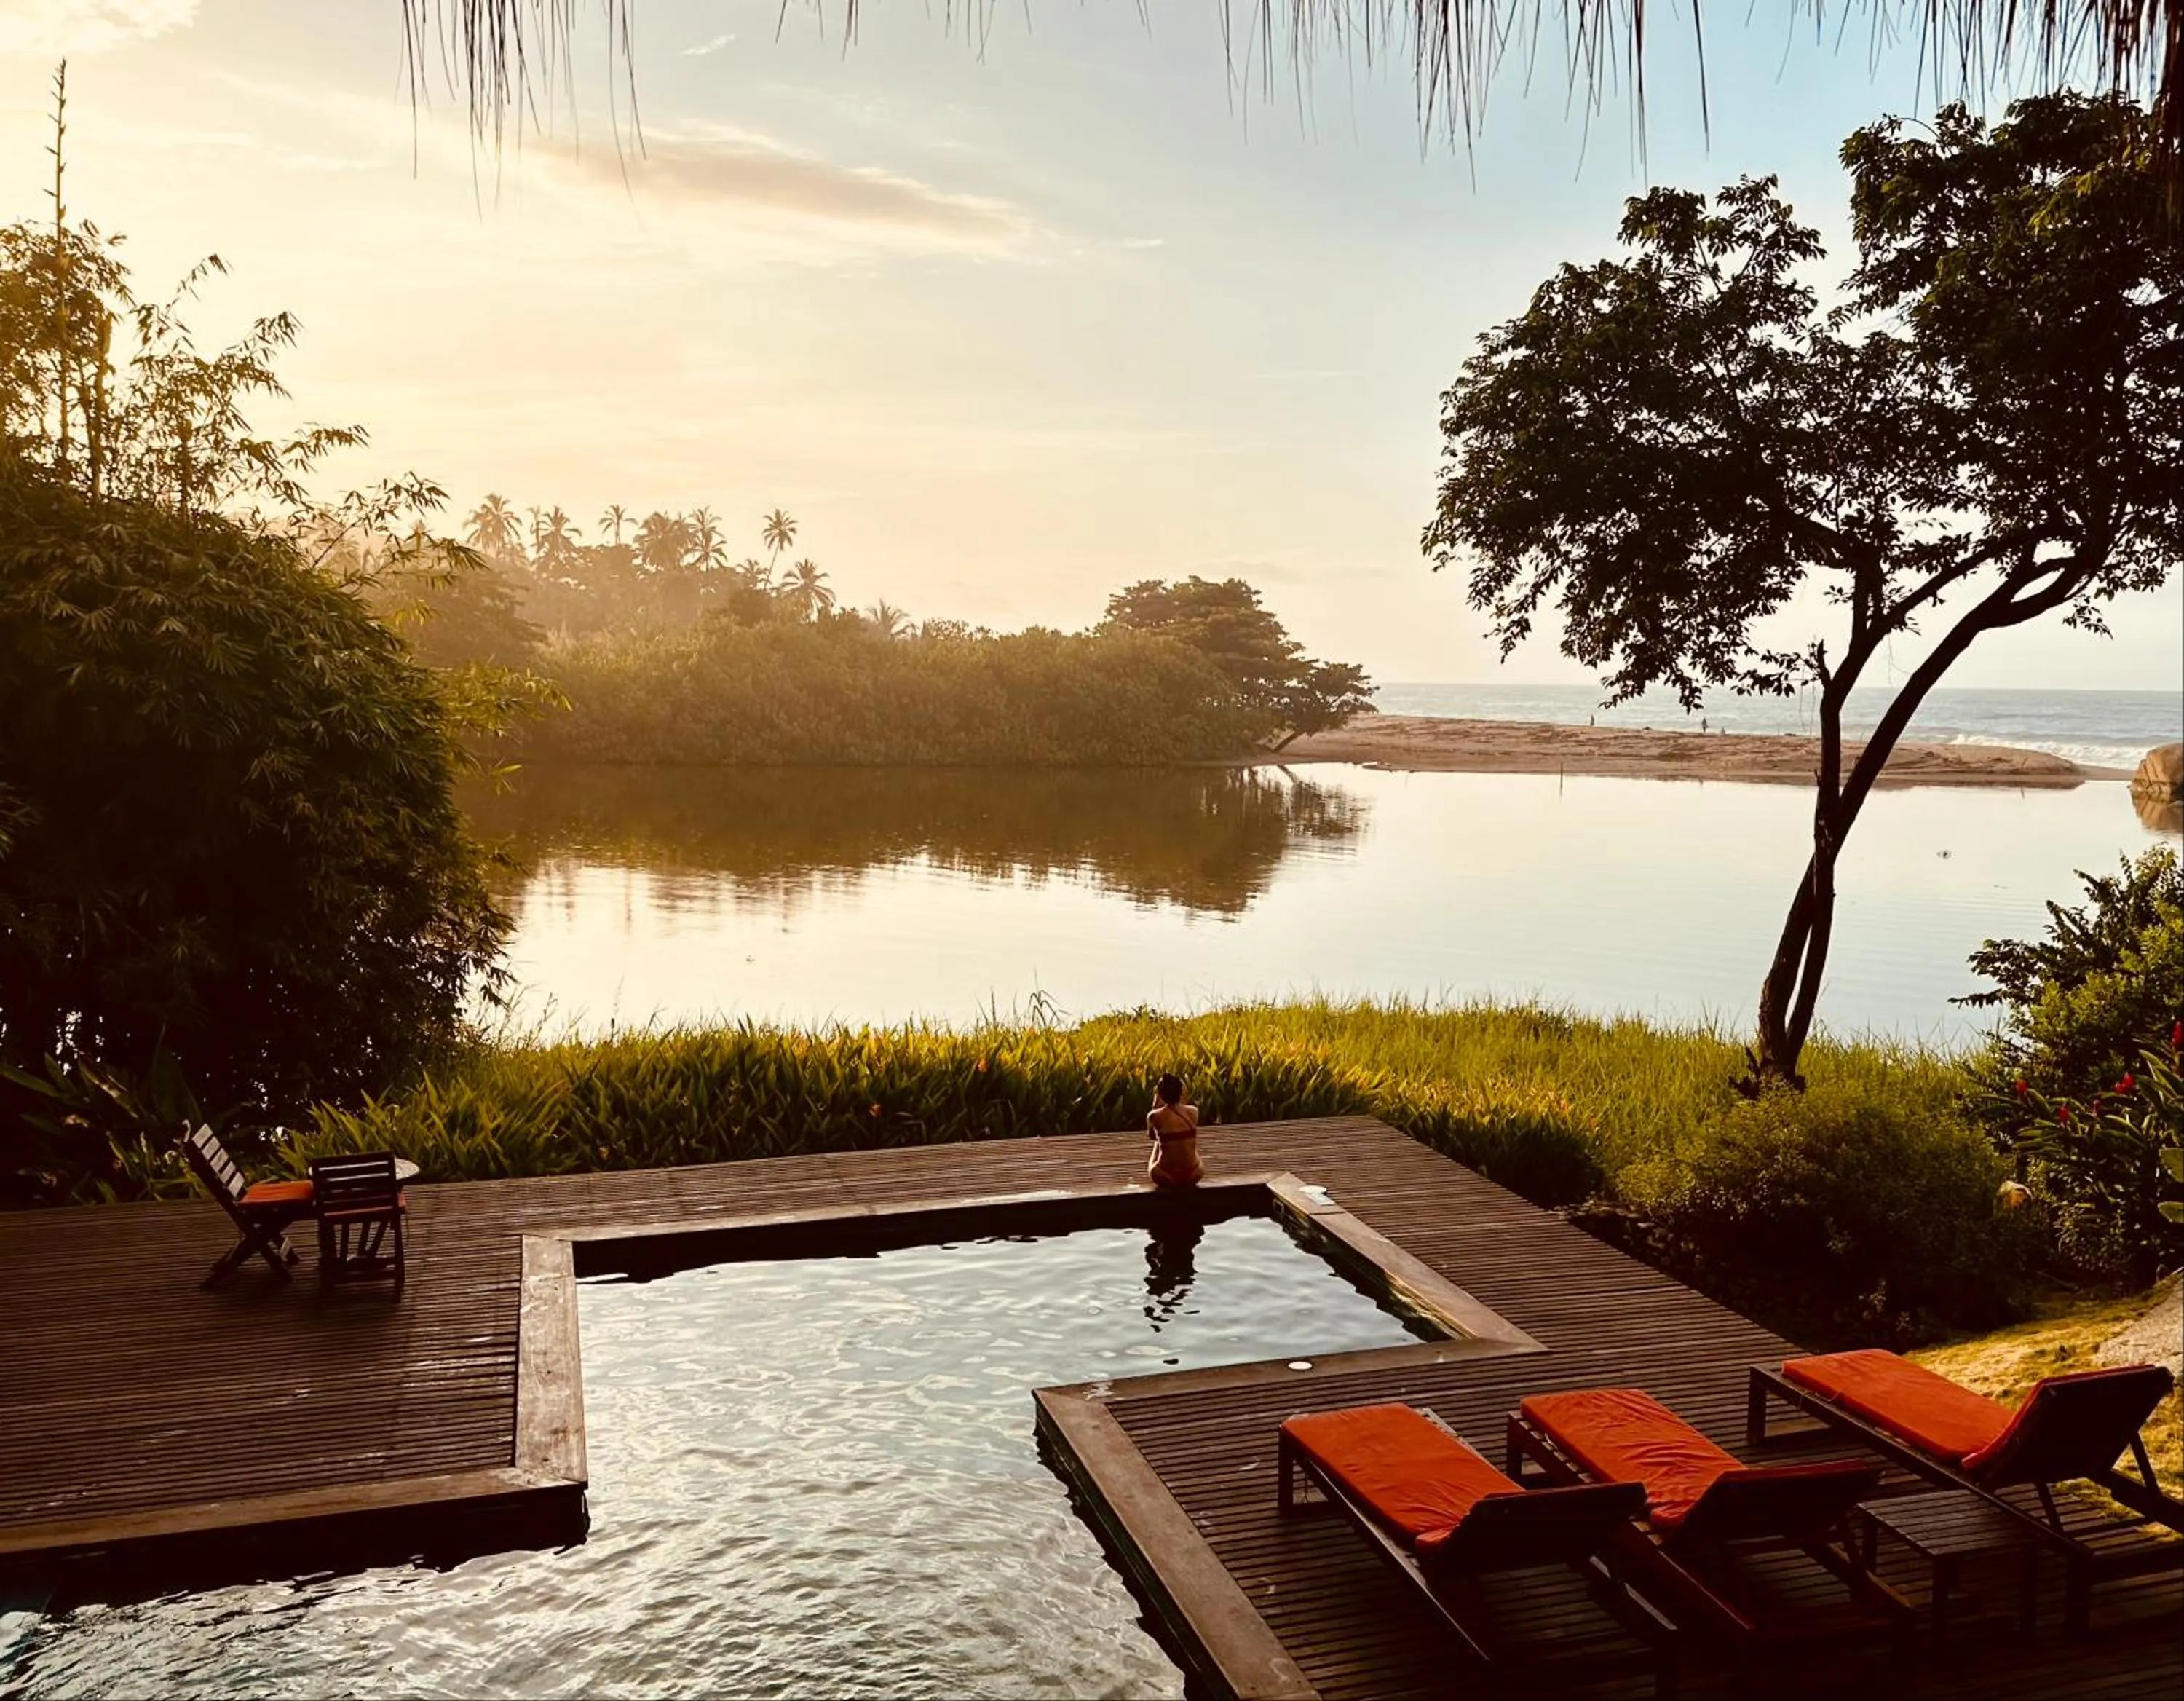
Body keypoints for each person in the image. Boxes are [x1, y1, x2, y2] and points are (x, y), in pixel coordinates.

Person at [1145, 1073, 1203, 1188]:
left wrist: (1155, 1107)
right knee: (1189, 1144)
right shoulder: (1194, 1112)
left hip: (1166, 1175)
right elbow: (1181, 1112)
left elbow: (1152, 1136)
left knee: (1158, 1141)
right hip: (1194, 1174)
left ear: (1160, 1095)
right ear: (1181, 1092)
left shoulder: (1154, 1116)